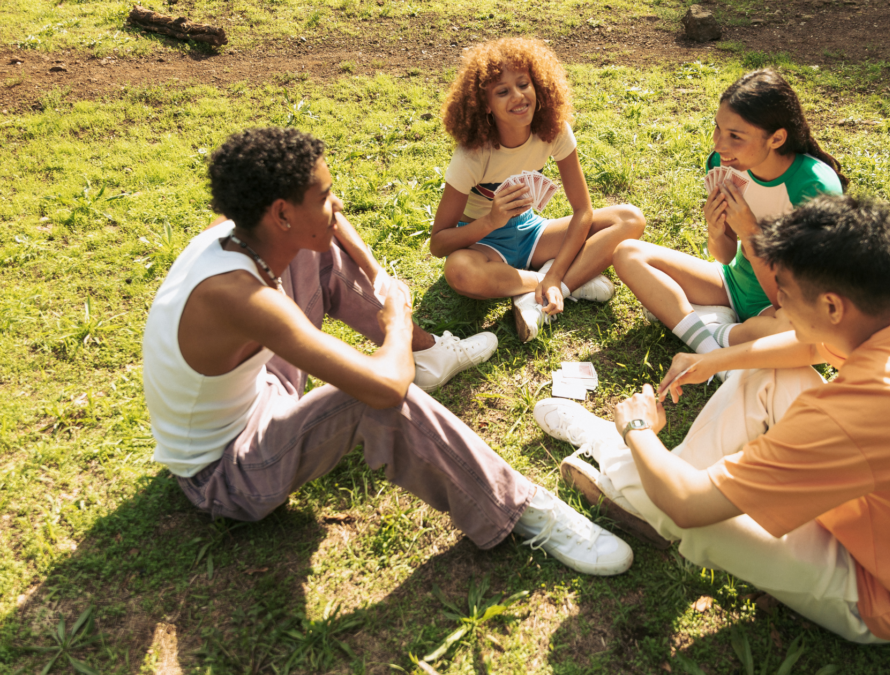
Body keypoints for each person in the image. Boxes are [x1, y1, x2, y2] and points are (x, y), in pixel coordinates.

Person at [142, 127, 633, 576]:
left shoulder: (242, 230)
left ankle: (429, 355)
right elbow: (383, 388)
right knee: (376, 399)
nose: (336, 205)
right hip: (229, 472)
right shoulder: (239, 297)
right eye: (326, 196)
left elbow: (334, 229)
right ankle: (522, 510)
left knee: (323, 253)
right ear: (282, 213)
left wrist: (378, 277)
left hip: (262, 391)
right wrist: (395, 320)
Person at [533, 195, 890, 642]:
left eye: (784, 292)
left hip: (884, 598)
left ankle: (613, 455)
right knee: (763, 369)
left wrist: (636, 429)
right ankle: (644, 483)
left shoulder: (855, 414)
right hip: (889, 523)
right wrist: (714, 361)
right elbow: (811, 344)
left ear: (830, 305)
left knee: (688, 514)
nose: (776, 304)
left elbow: (688, 504)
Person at [613, 69, 846, 356]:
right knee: (628, 253)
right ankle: (709, 343)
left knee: (801, 333)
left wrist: (751, 234)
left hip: (781, 305)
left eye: (735, 136)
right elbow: (723, 256)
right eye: (718, 129)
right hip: (730, 284)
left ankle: (707, 327)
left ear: (776, 138)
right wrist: (715, 228)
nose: (719, 145)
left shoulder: (815, 187)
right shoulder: (724, 166)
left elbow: (790, 302)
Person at [431, 37, 645, 342]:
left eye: (523, 84)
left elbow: (583, 210)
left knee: (629, 219)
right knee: (459, 271)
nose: (518, 97)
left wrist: (557, 276)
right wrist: (491, 221)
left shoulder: (553, 130)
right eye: (502, 92)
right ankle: (556, 282)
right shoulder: (472, 155)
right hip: (482, 243)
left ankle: (555, 286)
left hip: (532, 232)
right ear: (485, 106)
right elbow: (438, 244)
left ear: (538, 86)